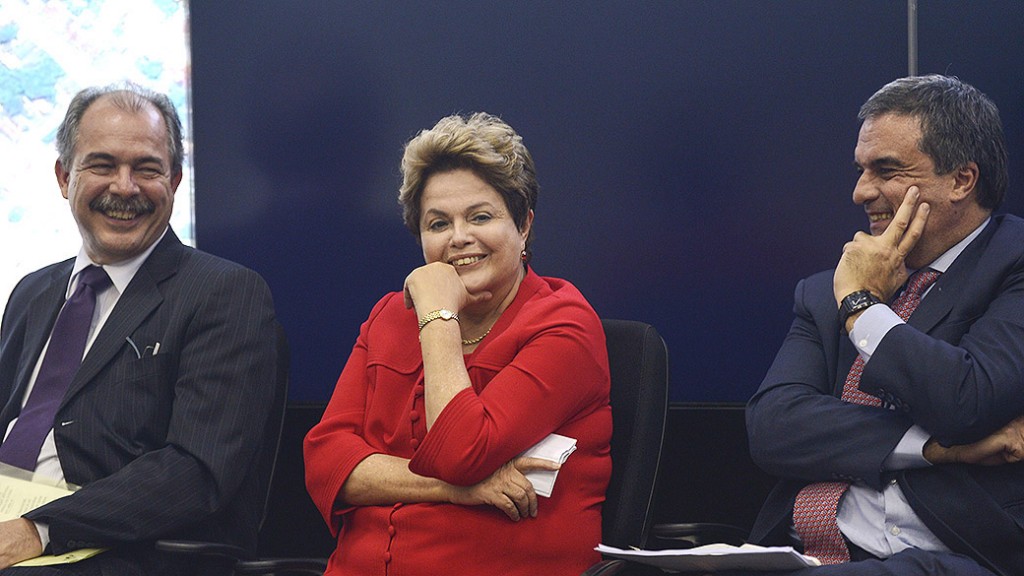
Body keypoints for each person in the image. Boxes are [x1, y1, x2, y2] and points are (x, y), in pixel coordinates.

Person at [304, 112, 612, 575]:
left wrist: (439, 316)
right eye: (438, 224)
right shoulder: (389, 316)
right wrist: (450, 490)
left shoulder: (564, 325)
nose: (459, 238)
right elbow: (325, 462)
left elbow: (461, 452)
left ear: (523, 225)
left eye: (480, 216)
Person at [742, 74, 1024, 575]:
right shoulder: (822, 290)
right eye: (860, 170)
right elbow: (774, 427)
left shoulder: (1013, 266)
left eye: (886, 170)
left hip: (952, 556)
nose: (860, 192)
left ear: (962, 180)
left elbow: (967, 399)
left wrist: (863, 307)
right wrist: (933, 449)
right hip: (802, 554)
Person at [0, 83, 280, 574]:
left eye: (147, 168)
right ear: (65, 177)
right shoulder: (31, 292)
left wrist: (38, 530)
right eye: (102, 165)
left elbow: (195, 471)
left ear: (174, 180)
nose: (124, 187)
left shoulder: (225, 293)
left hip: (116, 553)